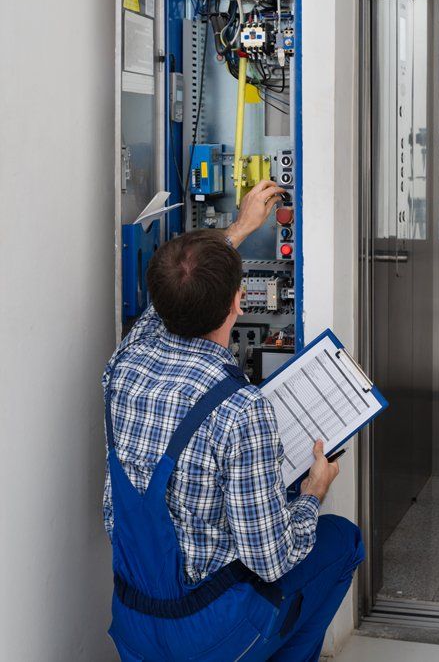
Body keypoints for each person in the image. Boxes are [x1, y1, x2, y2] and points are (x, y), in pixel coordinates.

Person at [102, 180, 363, 662]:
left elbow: (163, 306)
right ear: (239, 302)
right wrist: (313, 493)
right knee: (342, 540)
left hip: (134, 618)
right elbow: (270, 559)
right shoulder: (241, 410)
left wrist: (239, 229)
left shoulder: (123, 362)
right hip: (206, 630)